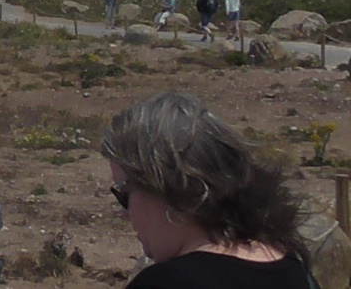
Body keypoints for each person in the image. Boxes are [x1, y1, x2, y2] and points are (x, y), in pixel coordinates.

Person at [100, 92, 312, 289]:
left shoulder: (166, 283)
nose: (124, 213)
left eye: (124, 194)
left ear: (167, 188)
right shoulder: (294, 271)